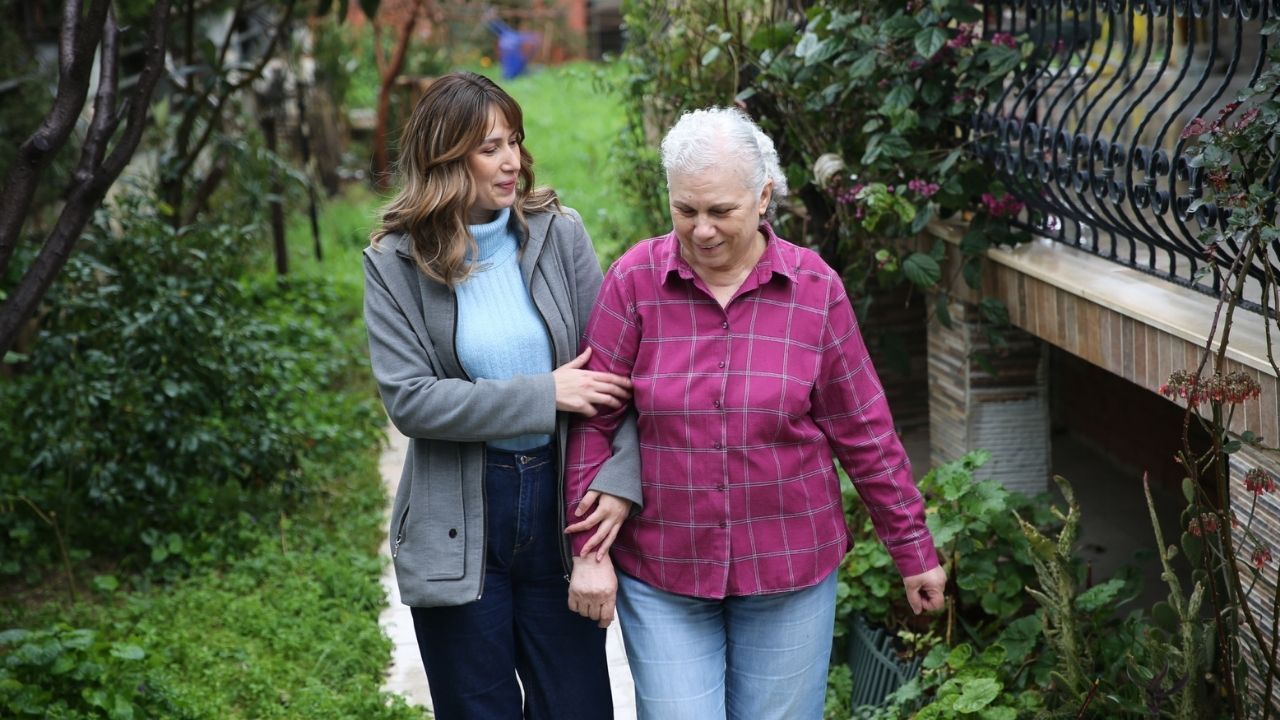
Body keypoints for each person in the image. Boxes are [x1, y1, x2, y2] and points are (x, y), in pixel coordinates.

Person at [563, 107, 947, 720]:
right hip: (664, 567)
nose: (703, 230)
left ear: (764, 196)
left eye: (721, 211)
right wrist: (588, 551)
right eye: (686, 211)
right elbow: (592, 419)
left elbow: (864, 430)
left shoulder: (814, 289)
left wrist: (913, 548)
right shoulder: (634, 280)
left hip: (790, 563)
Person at [363, 71, 641, 720]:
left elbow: (613, 379)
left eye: (514, 140)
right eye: (490, 147)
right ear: (446, 155)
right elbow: (412, 401)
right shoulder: (394, 262)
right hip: (459, 514)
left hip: (560, 503)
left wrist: (620, 487)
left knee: (577, 708)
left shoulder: (558, 233)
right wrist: (545, 393)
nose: (512, 159)